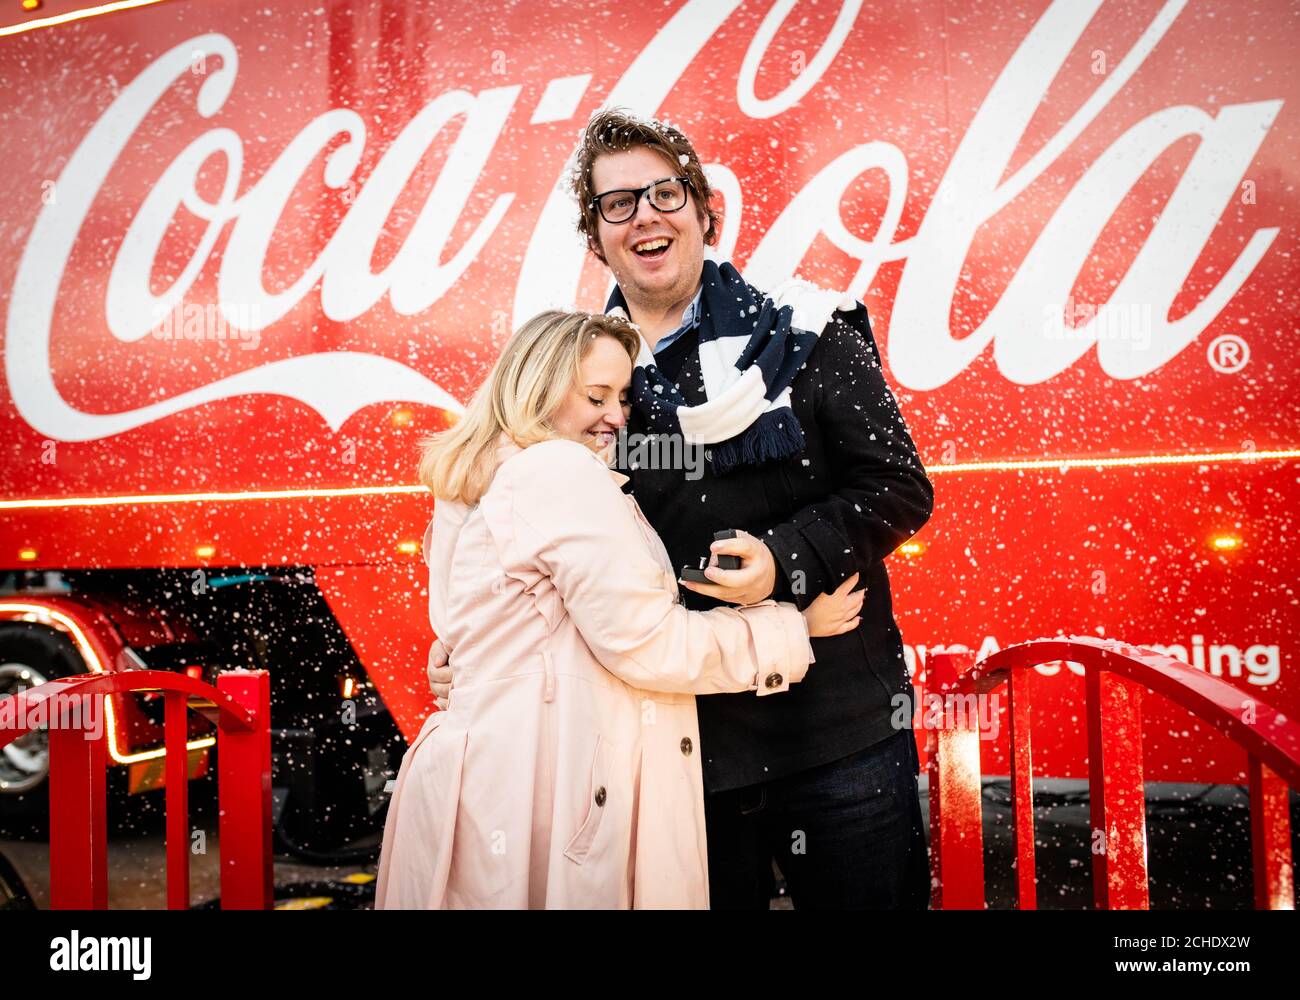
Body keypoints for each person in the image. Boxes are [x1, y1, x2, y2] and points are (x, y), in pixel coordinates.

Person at [434, 109, 936, 909]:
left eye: (665, 192)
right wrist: (483, 646)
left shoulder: (809, 330)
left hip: (837, 735)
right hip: (672, 748)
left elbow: (900, 486)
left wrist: (785, 558)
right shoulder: (579, 373)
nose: (646, 216)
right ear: (595, 239)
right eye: (617, 204)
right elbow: (514, 519)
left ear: (707, 213)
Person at [376, 309, 863, 909]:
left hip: (491, 791)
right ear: (539, 387)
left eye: (624, 396)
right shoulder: (557, 471)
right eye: (595, 395)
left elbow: (475, 635)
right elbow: (647, 644)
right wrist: (792, 629)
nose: (616, 416)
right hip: (543, 793)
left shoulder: (475, 480)